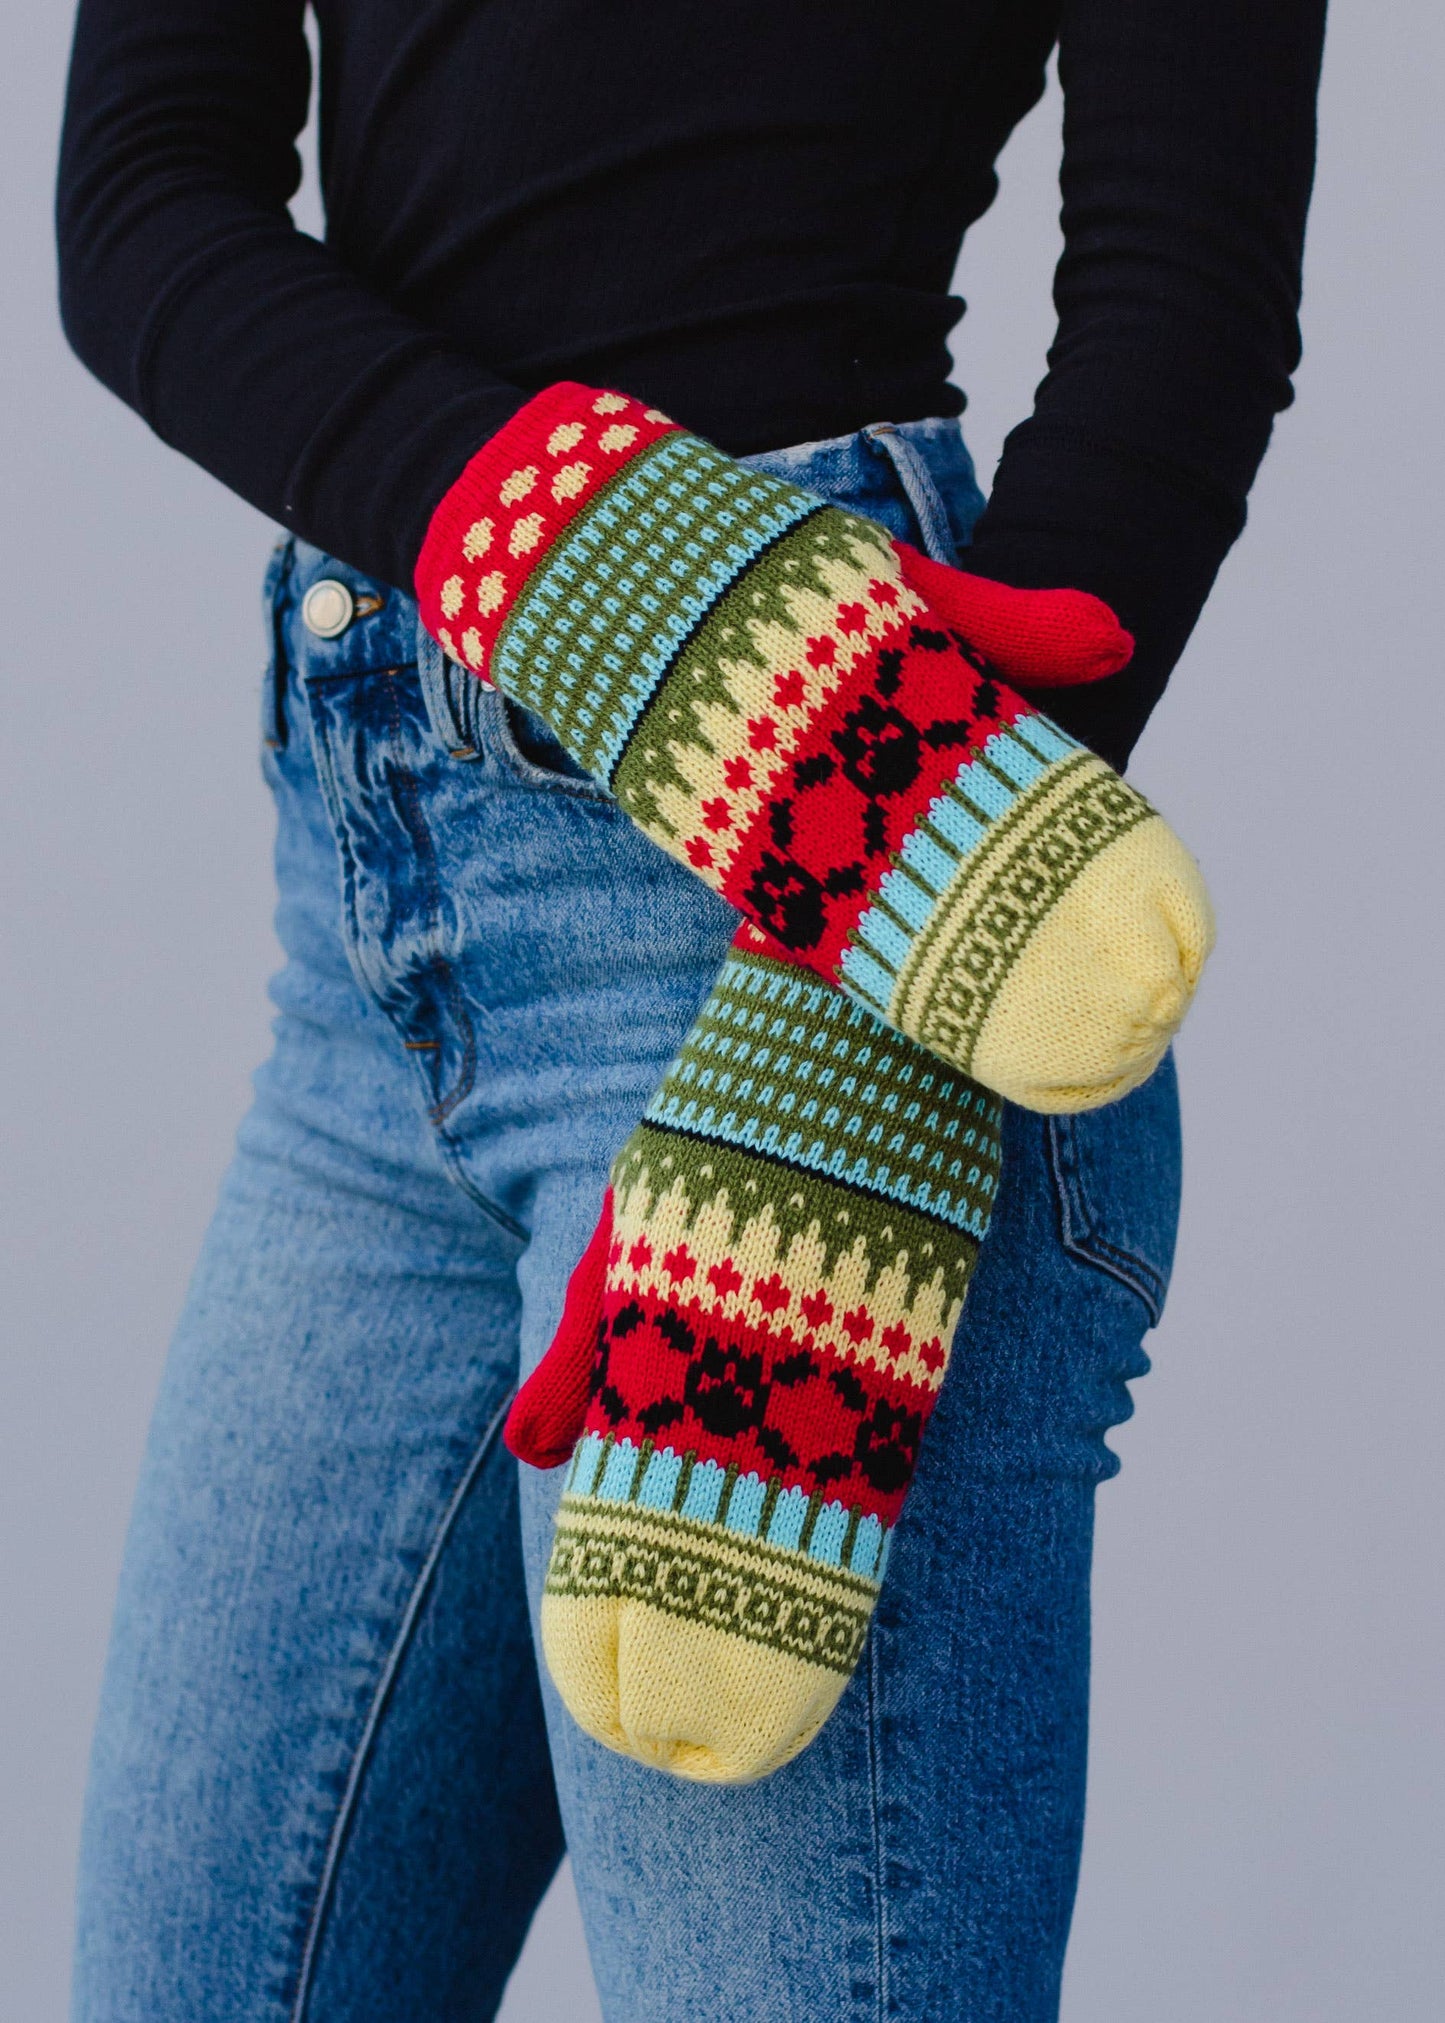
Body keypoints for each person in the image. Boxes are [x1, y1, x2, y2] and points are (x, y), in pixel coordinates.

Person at [56, 0, 1325, 2016]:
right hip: (372, 949)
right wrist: (566, 537)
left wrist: (867, 978)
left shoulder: (851, 946)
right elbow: (137, 201)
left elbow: (1193, 289)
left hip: (816, 885)